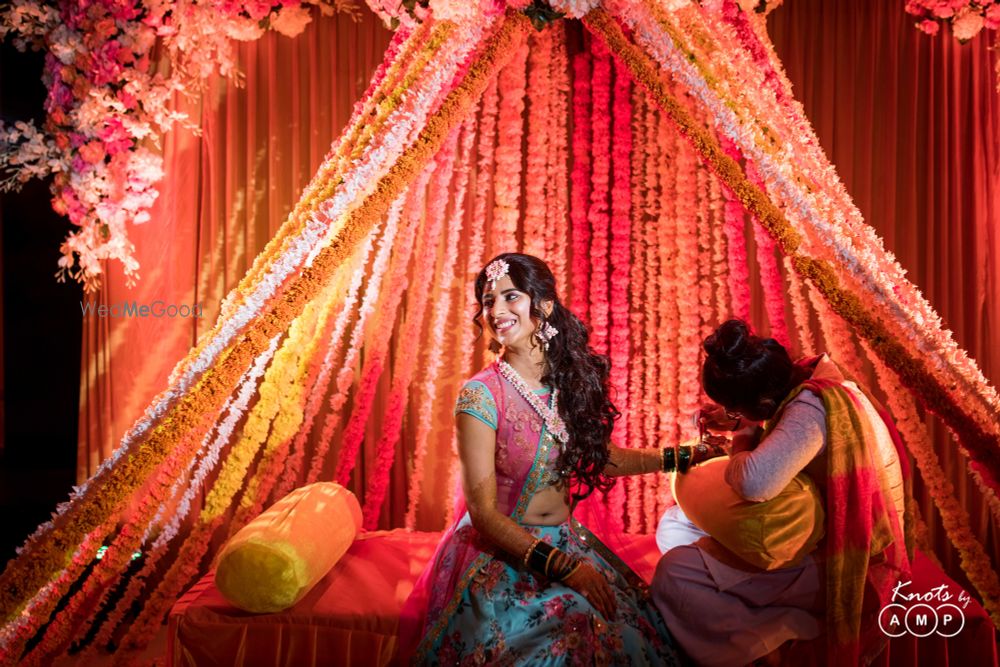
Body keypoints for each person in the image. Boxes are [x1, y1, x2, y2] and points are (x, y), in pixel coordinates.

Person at [398, 253, 710, 665]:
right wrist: (566, 569)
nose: (497, 311)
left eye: (511, 296)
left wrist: (681, 456)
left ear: (543, 305)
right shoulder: (480, 396)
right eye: (489, 301)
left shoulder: (566, 382)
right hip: (508, 556)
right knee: (574, 632)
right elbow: (484, 513)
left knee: (633, 630)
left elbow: (600, 459)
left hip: (569, 544)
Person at [652, 319, 912, 666]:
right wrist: (737, 421)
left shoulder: (812, 409)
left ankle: (783, 629)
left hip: (849, 558)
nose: (734, 414)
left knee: (674, 572)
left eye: (736, 407)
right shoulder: (803, 378)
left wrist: (742, 433)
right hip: (814, 533)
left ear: (762, 401)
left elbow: (754, 482)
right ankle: (765, 618)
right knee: (674, 525)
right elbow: (781, 439)